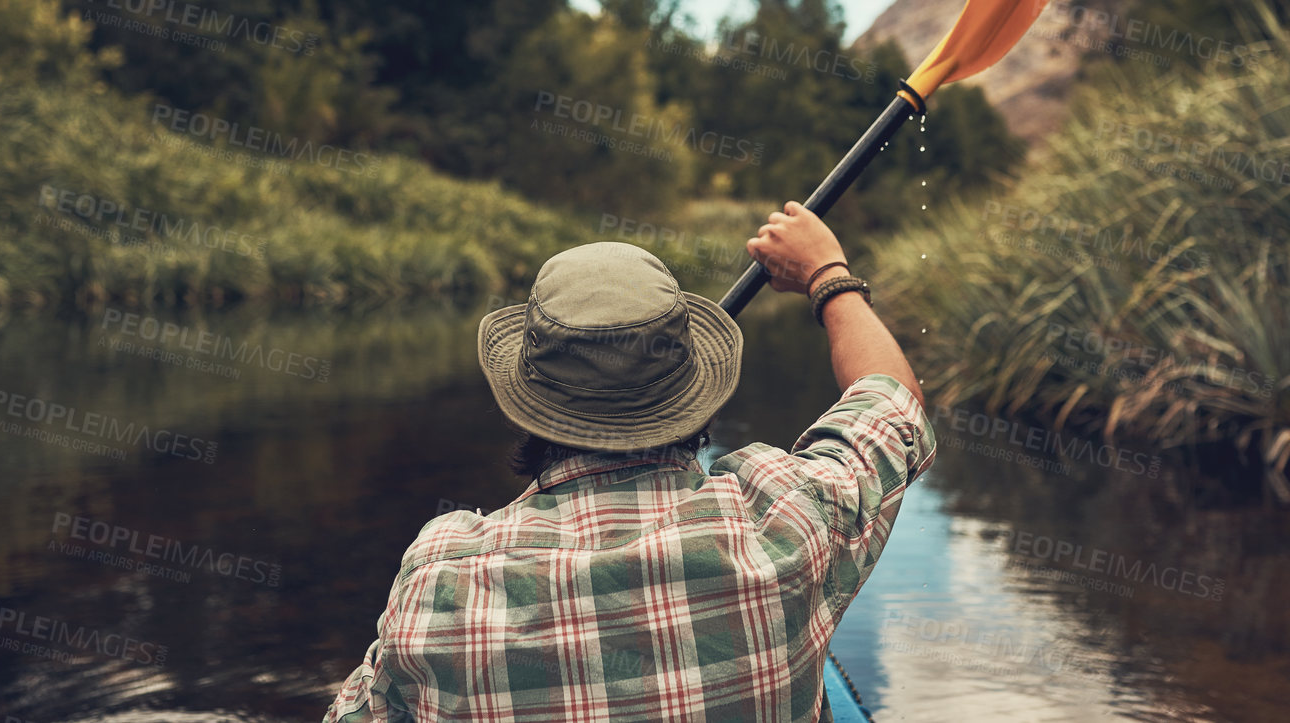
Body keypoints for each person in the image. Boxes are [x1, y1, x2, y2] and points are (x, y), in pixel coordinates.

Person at [322, 201, 936, 722]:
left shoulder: (439, 577)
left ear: (524, 403)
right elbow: (892, 403)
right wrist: (828, 274)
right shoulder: (787, 518)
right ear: (700, 396)